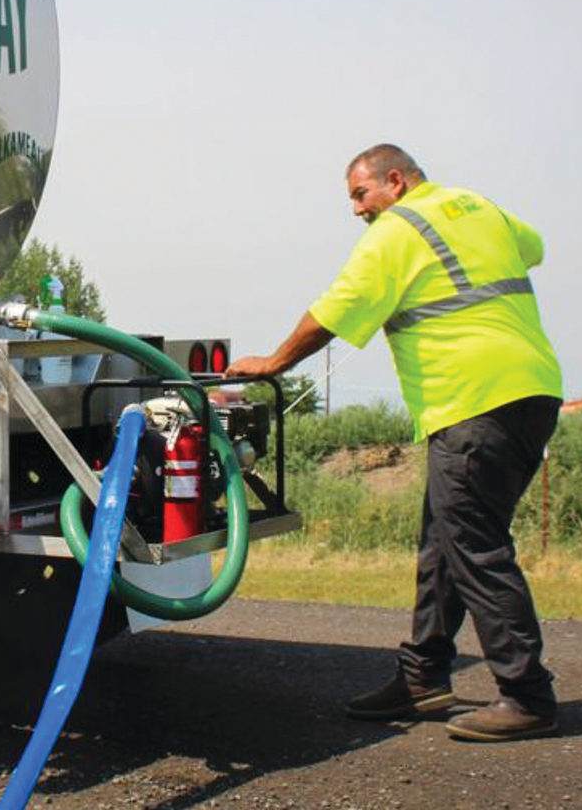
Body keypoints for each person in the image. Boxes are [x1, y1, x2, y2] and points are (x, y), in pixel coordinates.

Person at [226, 144, 564, 742]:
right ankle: (423, 678)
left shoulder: (397, 230)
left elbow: (336, 309)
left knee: (475, 546)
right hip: (530, 389)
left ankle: (527, 694)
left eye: (361, 194)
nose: (356, 210)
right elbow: (532, 248)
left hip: (474, 399)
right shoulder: (478, 206)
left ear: (397, 181)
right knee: (444, 544)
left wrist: (275, 363)